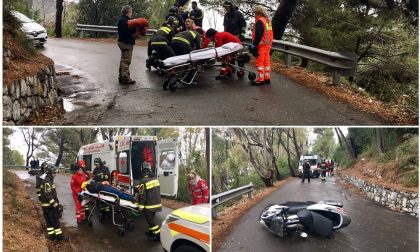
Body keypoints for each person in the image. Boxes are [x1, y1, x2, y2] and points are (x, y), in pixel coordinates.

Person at [117, 6, 149, 85]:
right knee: (126, 61)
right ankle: (126, 78)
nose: (132, 13)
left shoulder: (121, 19)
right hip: (126, 43)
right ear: (129, 12)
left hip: (121, 42)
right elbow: (130, 33)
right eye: (131, 12)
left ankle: (121, 77)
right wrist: (138, 31)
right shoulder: (126, 21)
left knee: (123, 60)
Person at [40, 164, 69, 241]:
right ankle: (59, 237)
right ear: (50, 173)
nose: (55, 174)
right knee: (55, 220)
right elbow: (48, 194)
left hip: (46, 205)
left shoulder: (47, 180)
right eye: (54, 173)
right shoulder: (47, 181)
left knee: (49, 222)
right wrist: (54, 203)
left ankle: (52, 236)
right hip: (49, 206)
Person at [136, 166, 162, 241]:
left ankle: (157, 235)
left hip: (149, 206)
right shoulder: (155, 179)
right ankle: (151, 232)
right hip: (157, 204)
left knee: (150, 221)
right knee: (150, 220)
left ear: (143, 171)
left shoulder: (143, 181)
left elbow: (143, 196)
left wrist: (141, 207)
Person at [250, 5, 273, 86]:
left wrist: (254, 45)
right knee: (266, 62)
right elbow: (267, 33)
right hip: (268, 45)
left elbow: (259, 34)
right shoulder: (267, 21)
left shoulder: (260, 21)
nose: (254, 14)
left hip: (261, 45)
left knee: (260, 62)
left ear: (257, 12)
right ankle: (267, 78)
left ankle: (261, 79)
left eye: (254, 13)